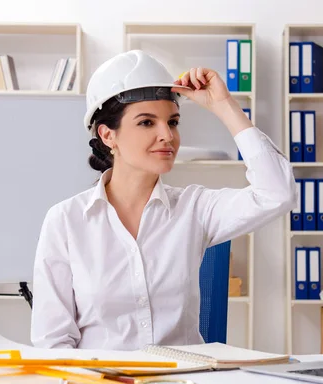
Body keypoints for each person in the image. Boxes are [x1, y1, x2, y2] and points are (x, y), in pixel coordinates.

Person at [31, 50, 296, 350]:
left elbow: (278, 193)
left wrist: (224, 106)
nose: (167, 136)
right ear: (108, 135)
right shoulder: (66, 221)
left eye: (172, 122)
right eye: (147, 123)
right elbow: (53, 344)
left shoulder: (194, 209)